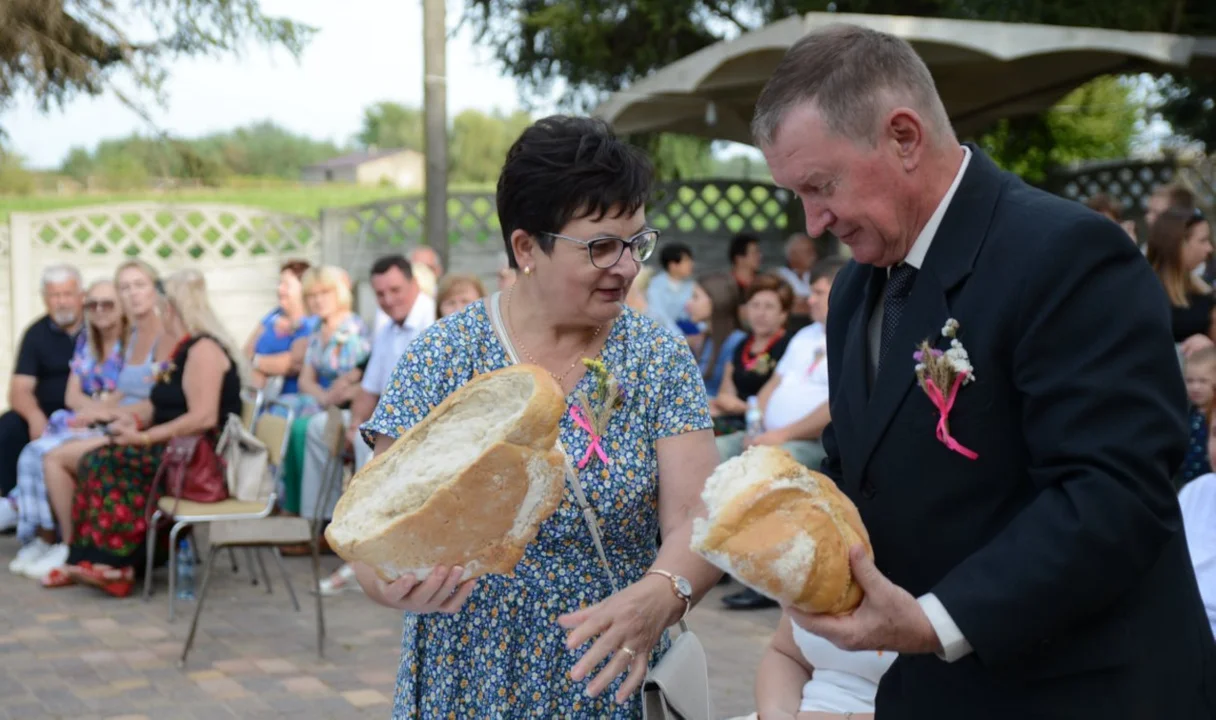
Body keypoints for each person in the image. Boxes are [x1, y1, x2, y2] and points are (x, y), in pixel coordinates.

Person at [752, 23, 1216, 717]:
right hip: (933, 690)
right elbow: (859, 468)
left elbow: (1112, 494)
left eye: (821, 185)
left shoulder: (1067, 255)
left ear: (904, 137)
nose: (813, 222)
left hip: (1079, 689)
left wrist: (936, 620)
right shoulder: (854, 289)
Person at [353, 115, 721, 718]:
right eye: (601, 246)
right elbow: (377, 523)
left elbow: (698, 516)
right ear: (526, 248)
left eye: (637, 242)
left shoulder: (657, 357)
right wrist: (388, 583)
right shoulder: (446, 353)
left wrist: (659, 597)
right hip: (466, 672)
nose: (627, 266)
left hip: (608, 669)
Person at [57, 269, 243, 596]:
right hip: (176, 447)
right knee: (96, 458)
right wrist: (132, 422)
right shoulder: (182, 350)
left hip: (199, 457)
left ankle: (120, 563)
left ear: (172, 309)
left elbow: (202, 417)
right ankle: (96, 559)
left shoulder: (204, 351)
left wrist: (144, 438)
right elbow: (162, 406)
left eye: (161, 307)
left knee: (107, 462)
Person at [298, 255, 434, 530]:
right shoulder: (387, 325)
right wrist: (355, 423)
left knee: (366, 440)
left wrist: (362, 428)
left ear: (414, 284)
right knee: (317, 427)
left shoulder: (431, 319)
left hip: (422, 420)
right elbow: (370, 388)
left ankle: (368, 528)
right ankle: (321, 521)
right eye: (380, 294)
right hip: (386, 415)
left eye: (395, 290)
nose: (388, 300)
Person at [7, 279, 127, 580]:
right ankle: (44, 539)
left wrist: (96, 413)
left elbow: (128, 389)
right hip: (78, 419)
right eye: (94, 305)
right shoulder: (86, 341)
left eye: (107, 303)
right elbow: (71, 395)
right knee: (29, 451)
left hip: (113, 424)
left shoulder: (132, 343)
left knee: (45, 454)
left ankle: (66, 543)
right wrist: (89, 410)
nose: (99, 310)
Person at [0, 264, 84, 531]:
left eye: (67, 294)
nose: (61, 302)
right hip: (45, 413)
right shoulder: (36, 334)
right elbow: (18, 389)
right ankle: (17, 506)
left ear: (81, 295)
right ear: (44, 299)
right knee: (9, 425)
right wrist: (35, 417)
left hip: (84, 412)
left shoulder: (98, 329)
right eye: (54, 295)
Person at [708, 274, 793, 434]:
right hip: (733, 422)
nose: (760, 313)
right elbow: (725, 393)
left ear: (783, 314)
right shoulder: (741, 344)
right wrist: (728, 404)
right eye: (755, 305)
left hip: (765, 428)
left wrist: (741, 407)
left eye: (769, 307)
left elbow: (782, 399)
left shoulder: (789, 346)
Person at [243, 259, 317, 399]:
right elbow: (246, 351)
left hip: (292, 399)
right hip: (257, 394)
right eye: (279, 283)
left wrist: (255, 363)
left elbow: (292, 364)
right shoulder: (272, 316)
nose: (279, 289)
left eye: (286, 285)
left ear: (303, 288)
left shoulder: (311, 322)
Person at [773, 232, 818, 322]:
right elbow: (785, 305)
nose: (813, 255)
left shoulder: (817, 275)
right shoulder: (779, 276)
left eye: (813, 250)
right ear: (792, 255)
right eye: (808, 251)